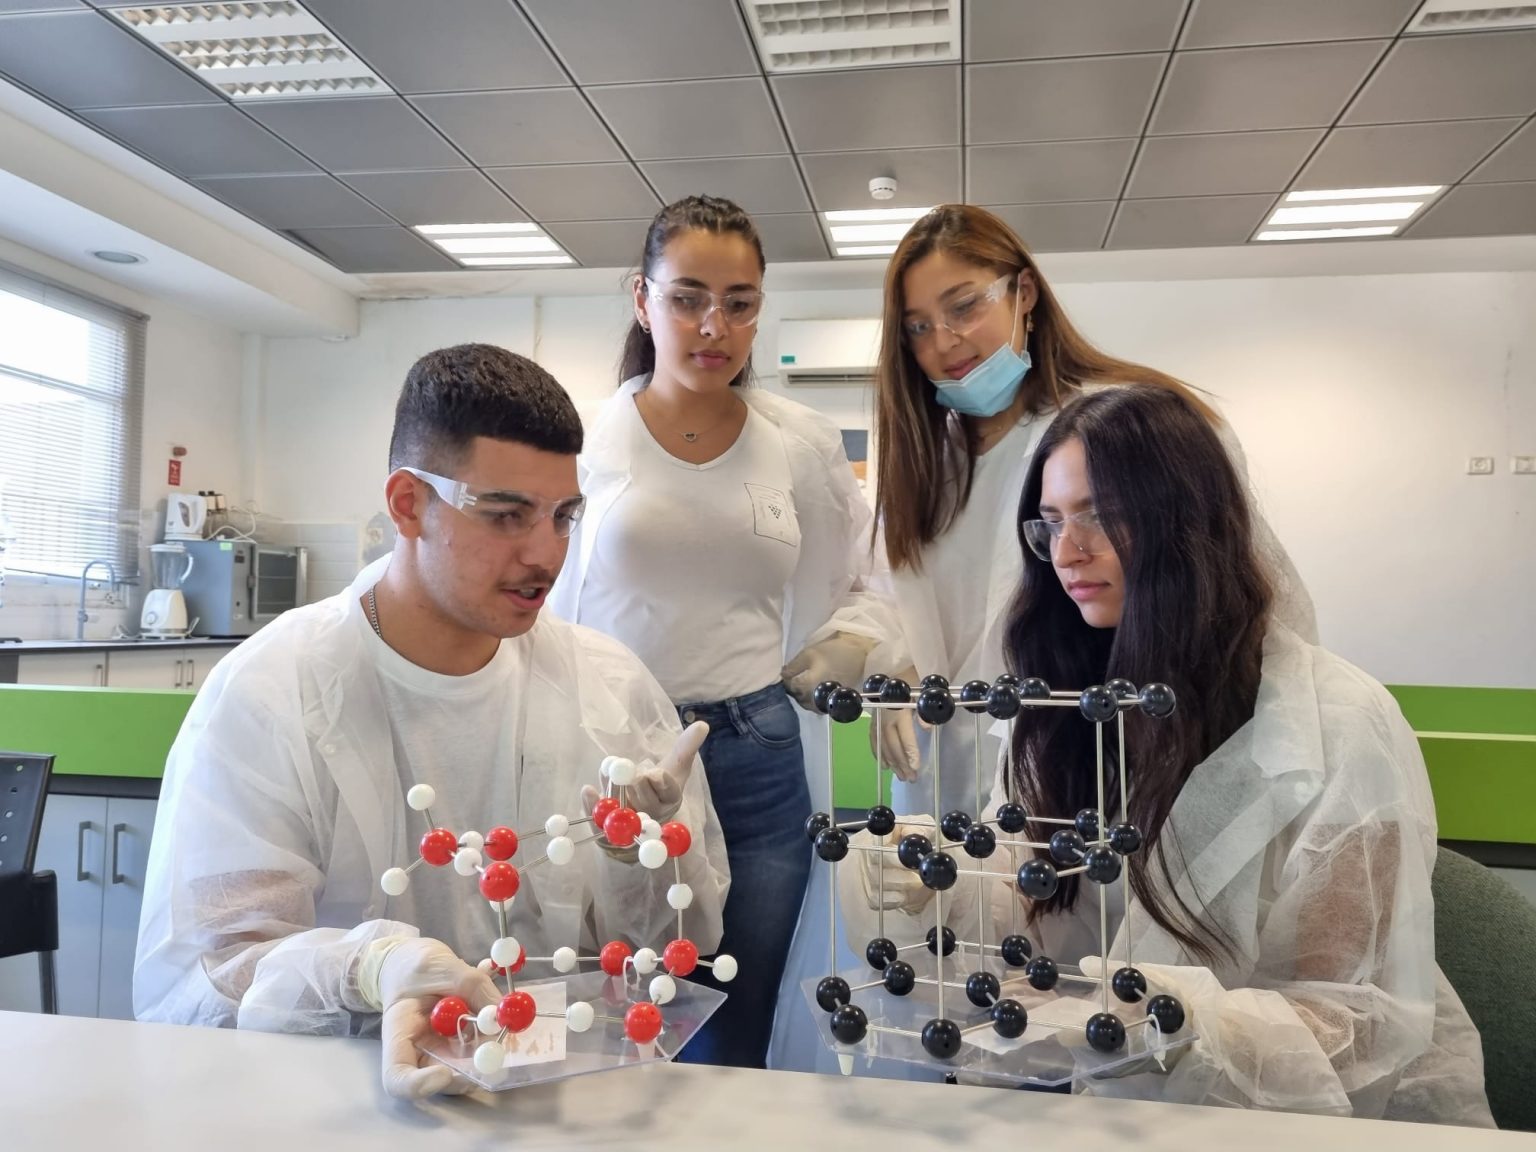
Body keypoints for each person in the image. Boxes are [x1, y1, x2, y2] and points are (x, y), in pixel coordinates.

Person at [844, 386, 1493, 1126]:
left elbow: (1348, 1027)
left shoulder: (1338, 727)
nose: (1067, 552)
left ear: (1187, 521)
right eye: (1050, 523)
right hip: (1096, 1106)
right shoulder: (1060, 710)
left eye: (1100, 515)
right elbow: (1031, 910)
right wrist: (943, 887)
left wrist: (1174, 1021)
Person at [135, 344, 729, 1099]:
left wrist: (643, 859)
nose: (545, 554)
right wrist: (366, 969)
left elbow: (678, 952)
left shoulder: (606, 688)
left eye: (563, 517)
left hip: (552, 1096)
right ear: (408, 503)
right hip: (334, 1103)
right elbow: (206, 983)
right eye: (506, 515)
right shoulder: (273, 692)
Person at [548, 196, 897, 1069]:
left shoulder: (800, 442)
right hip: (618, 751)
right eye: (688, 298)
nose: (715, 326)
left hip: (755, 752)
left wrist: (851, 639)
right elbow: (533, 589)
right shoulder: (585, 440)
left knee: (738, 1016)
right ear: (643, 300)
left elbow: (870, 575)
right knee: (620, 1009)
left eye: (739, 303)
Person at [867, 204, 1316, 822]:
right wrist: (896, 667)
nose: (943, 342)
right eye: (917, 327)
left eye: (964, 306)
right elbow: (902, 601)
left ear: (1025, 292)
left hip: (1102, 755)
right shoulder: (925, 462)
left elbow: (1237, 600)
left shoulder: (1131, 425)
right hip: (946, 766)